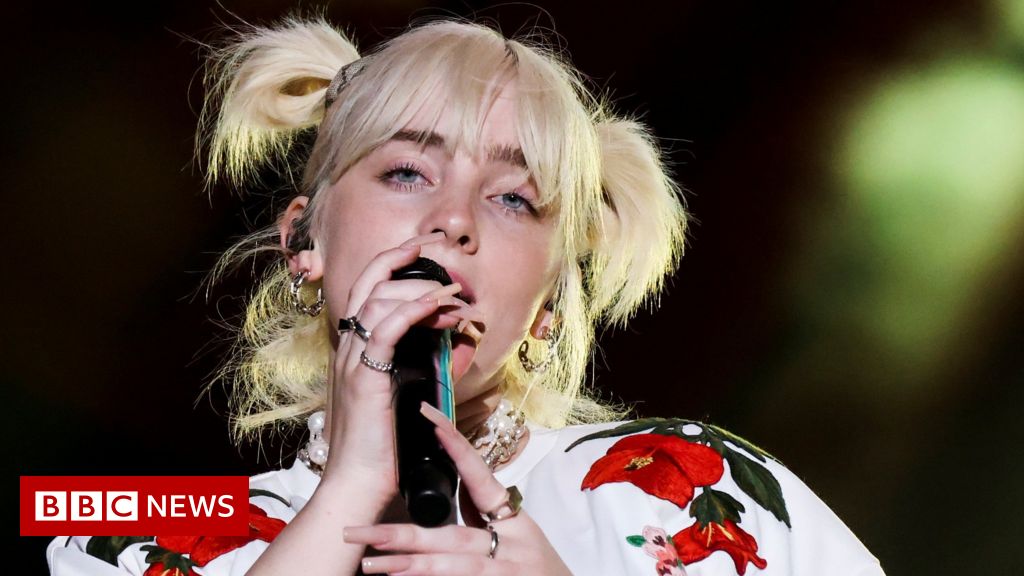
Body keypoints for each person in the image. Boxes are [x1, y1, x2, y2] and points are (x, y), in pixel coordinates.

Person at [47, 15, 884, 576]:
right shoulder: (137, 528)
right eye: (407, 172)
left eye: (513, 198)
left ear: (550, 299)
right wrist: (351, 487)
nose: (452, 221)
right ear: (303, 240)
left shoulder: (686, 484)